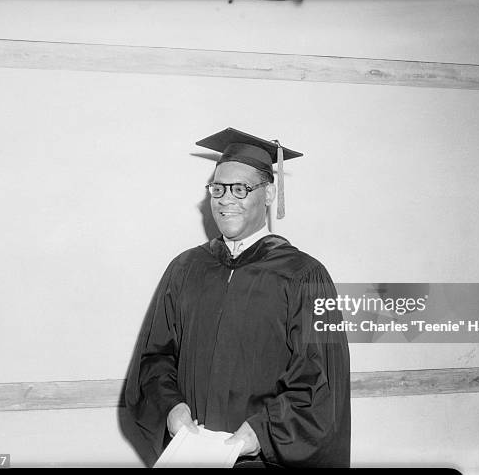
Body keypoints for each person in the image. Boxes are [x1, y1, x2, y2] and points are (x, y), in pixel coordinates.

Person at [124, 128, 351, 468]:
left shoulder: (304, 276)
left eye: (240, 189)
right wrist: (172, 409)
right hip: (192, 456)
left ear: (270, 193)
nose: (225, 199)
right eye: (217, 189)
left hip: (265, 460)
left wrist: (261, 432)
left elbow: (320, 385)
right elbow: (155, 358)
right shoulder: (186, 269)